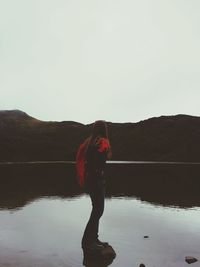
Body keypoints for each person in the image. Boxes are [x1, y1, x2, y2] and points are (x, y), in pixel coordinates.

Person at [76, 120, 112, 251]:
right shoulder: (101, 142)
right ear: (104, 129)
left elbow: (86, 157)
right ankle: (88, 240)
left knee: (96, 209)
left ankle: (93, 238)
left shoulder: (90, 141)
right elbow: (101, 158)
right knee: (98, 210)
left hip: (91, 179)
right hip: (96, 179)